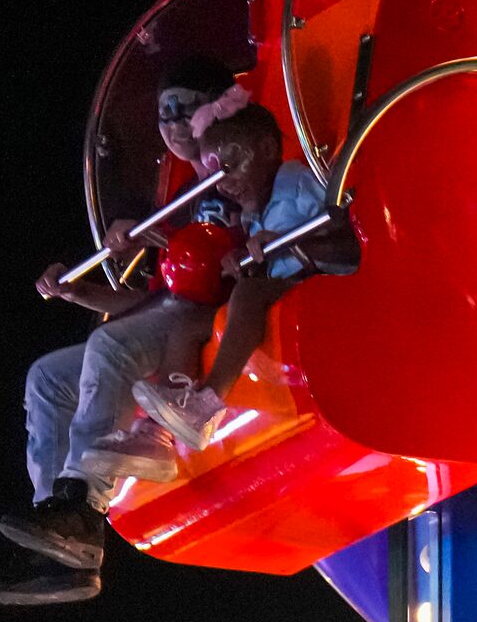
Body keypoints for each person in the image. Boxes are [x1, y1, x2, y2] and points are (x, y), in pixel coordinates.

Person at [0, 57, 237, 606]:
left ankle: (81, 502)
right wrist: (79, 292)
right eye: (162, 114)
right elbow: (148, 299)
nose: (170, 124)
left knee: (110, 345)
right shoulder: (181, 191)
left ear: (216, 107)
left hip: (209, 315)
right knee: (48, 377)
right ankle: (56, 530)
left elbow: (202, 287)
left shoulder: (237, 167)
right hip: (168, 311)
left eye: (182, 109)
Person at [133, 93, 359, 453]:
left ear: (267, 149)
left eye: (231, 165)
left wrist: (289, 243)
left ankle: (208, 403)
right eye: (215, 174)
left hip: (320, 288)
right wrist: (244, 262)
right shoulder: (254, 212)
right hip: (285, 287)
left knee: (250, 296)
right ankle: (163, 419)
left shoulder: (300, 183)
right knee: (188, 321)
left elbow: (349, 240)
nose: (223, 184)